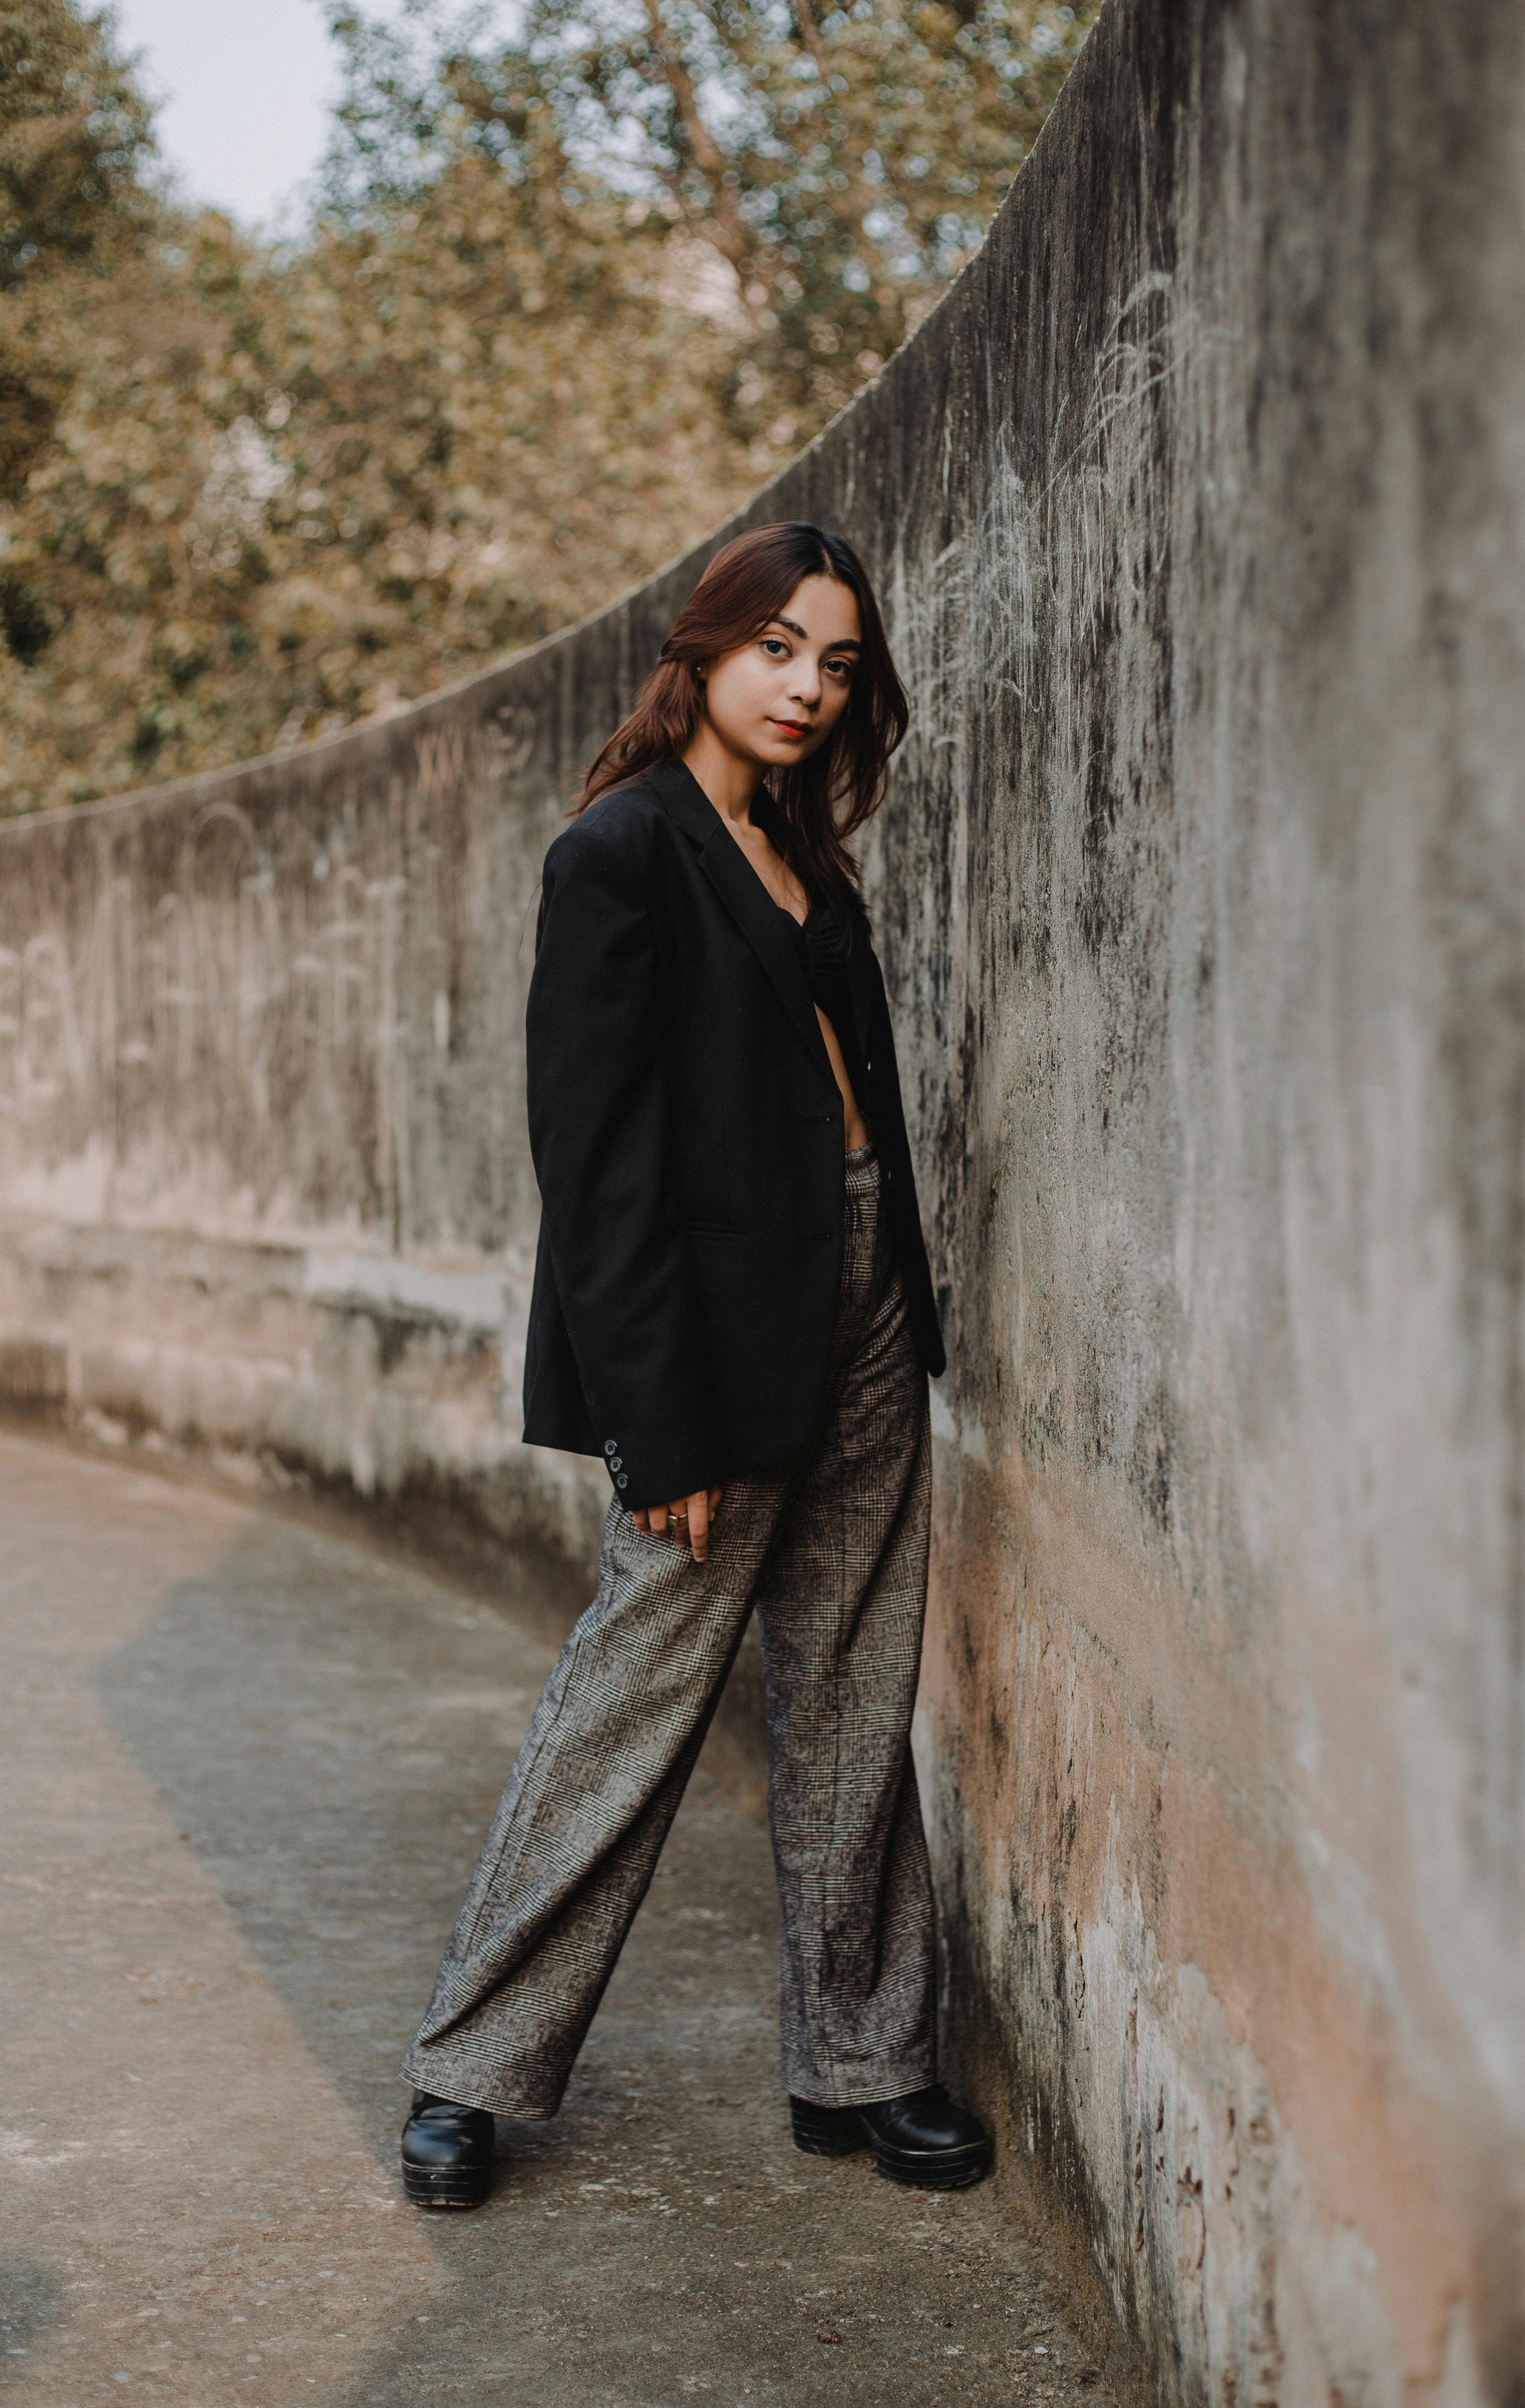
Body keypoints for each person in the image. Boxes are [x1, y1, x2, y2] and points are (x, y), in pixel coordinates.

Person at [399, 520, 991, 2207]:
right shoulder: (624, 848)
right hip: (714, 1342)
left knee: (860, 1690)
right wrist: (657, 1433)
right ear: (707, 648)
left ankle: (868, 2064)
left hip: (869, 1290)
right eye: (780, 648)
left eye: (839, 663)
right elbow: (596, 1168)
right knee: (636, 1694)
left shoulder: (793, 842)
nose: (809, 685)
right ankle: (473, 2067)